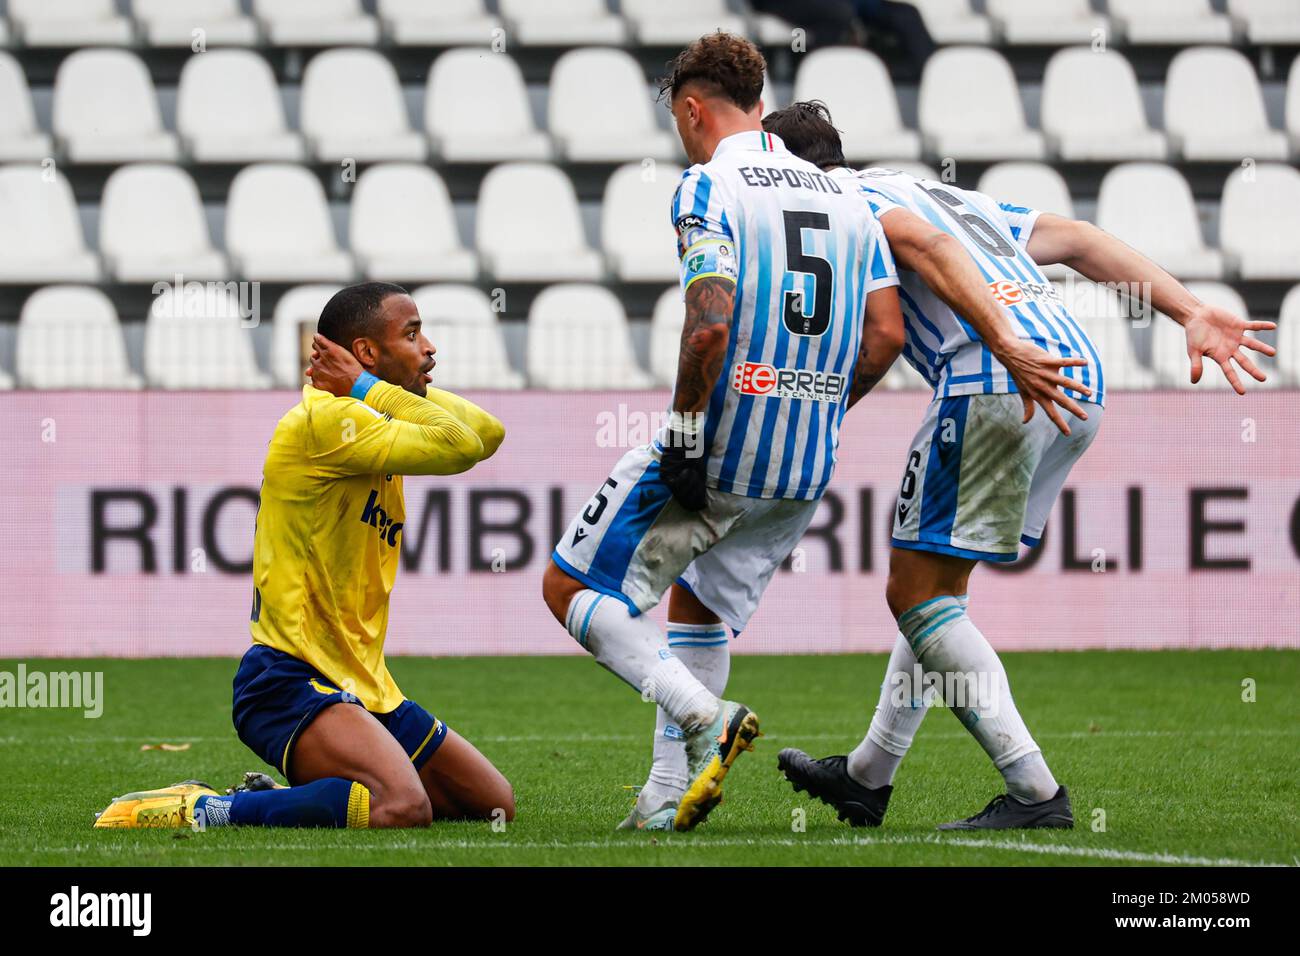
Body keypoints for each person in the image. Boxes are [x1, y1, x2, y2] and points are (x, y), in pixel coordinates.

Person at [763, 102, 1276, 830]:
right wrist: (1188, 309)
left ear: (782, 169)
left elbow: (896, 310)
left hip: (999, 375)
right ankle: (868, 774)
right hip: (1074, 377)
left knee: (918, 594)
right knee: (936, 585)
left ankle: (1035, 794)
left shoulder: (837, 207)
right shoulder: (929, 190)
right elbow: (1078, 239)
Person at [540, 33, 906, 832]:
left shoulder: (708, 186)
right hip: (805, 464)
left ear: (693, 108)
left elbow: (709, 325)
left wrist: (684, 434)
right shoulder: (849, 197)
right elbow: (886, 334)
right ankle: (666, 795)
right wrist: (818, 407)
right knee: (698, 607)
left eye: (678, 117)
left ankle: (709, 718)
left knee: (568, 587)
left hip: (727, 446)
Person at [95, 282, 516, 830]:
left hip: (366, 683)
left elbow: (487, 431)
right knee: (400, 807)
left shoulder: (368, 411)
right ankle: (200, 808)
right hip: (288, 679)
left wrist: (372, 384)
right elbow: (460, 444)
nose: (429, 347)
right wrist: (369, 386)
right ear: (365, 352)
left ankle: (302, 791)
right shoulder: (327, 424)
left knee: (492, 804)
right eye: (412, 335)